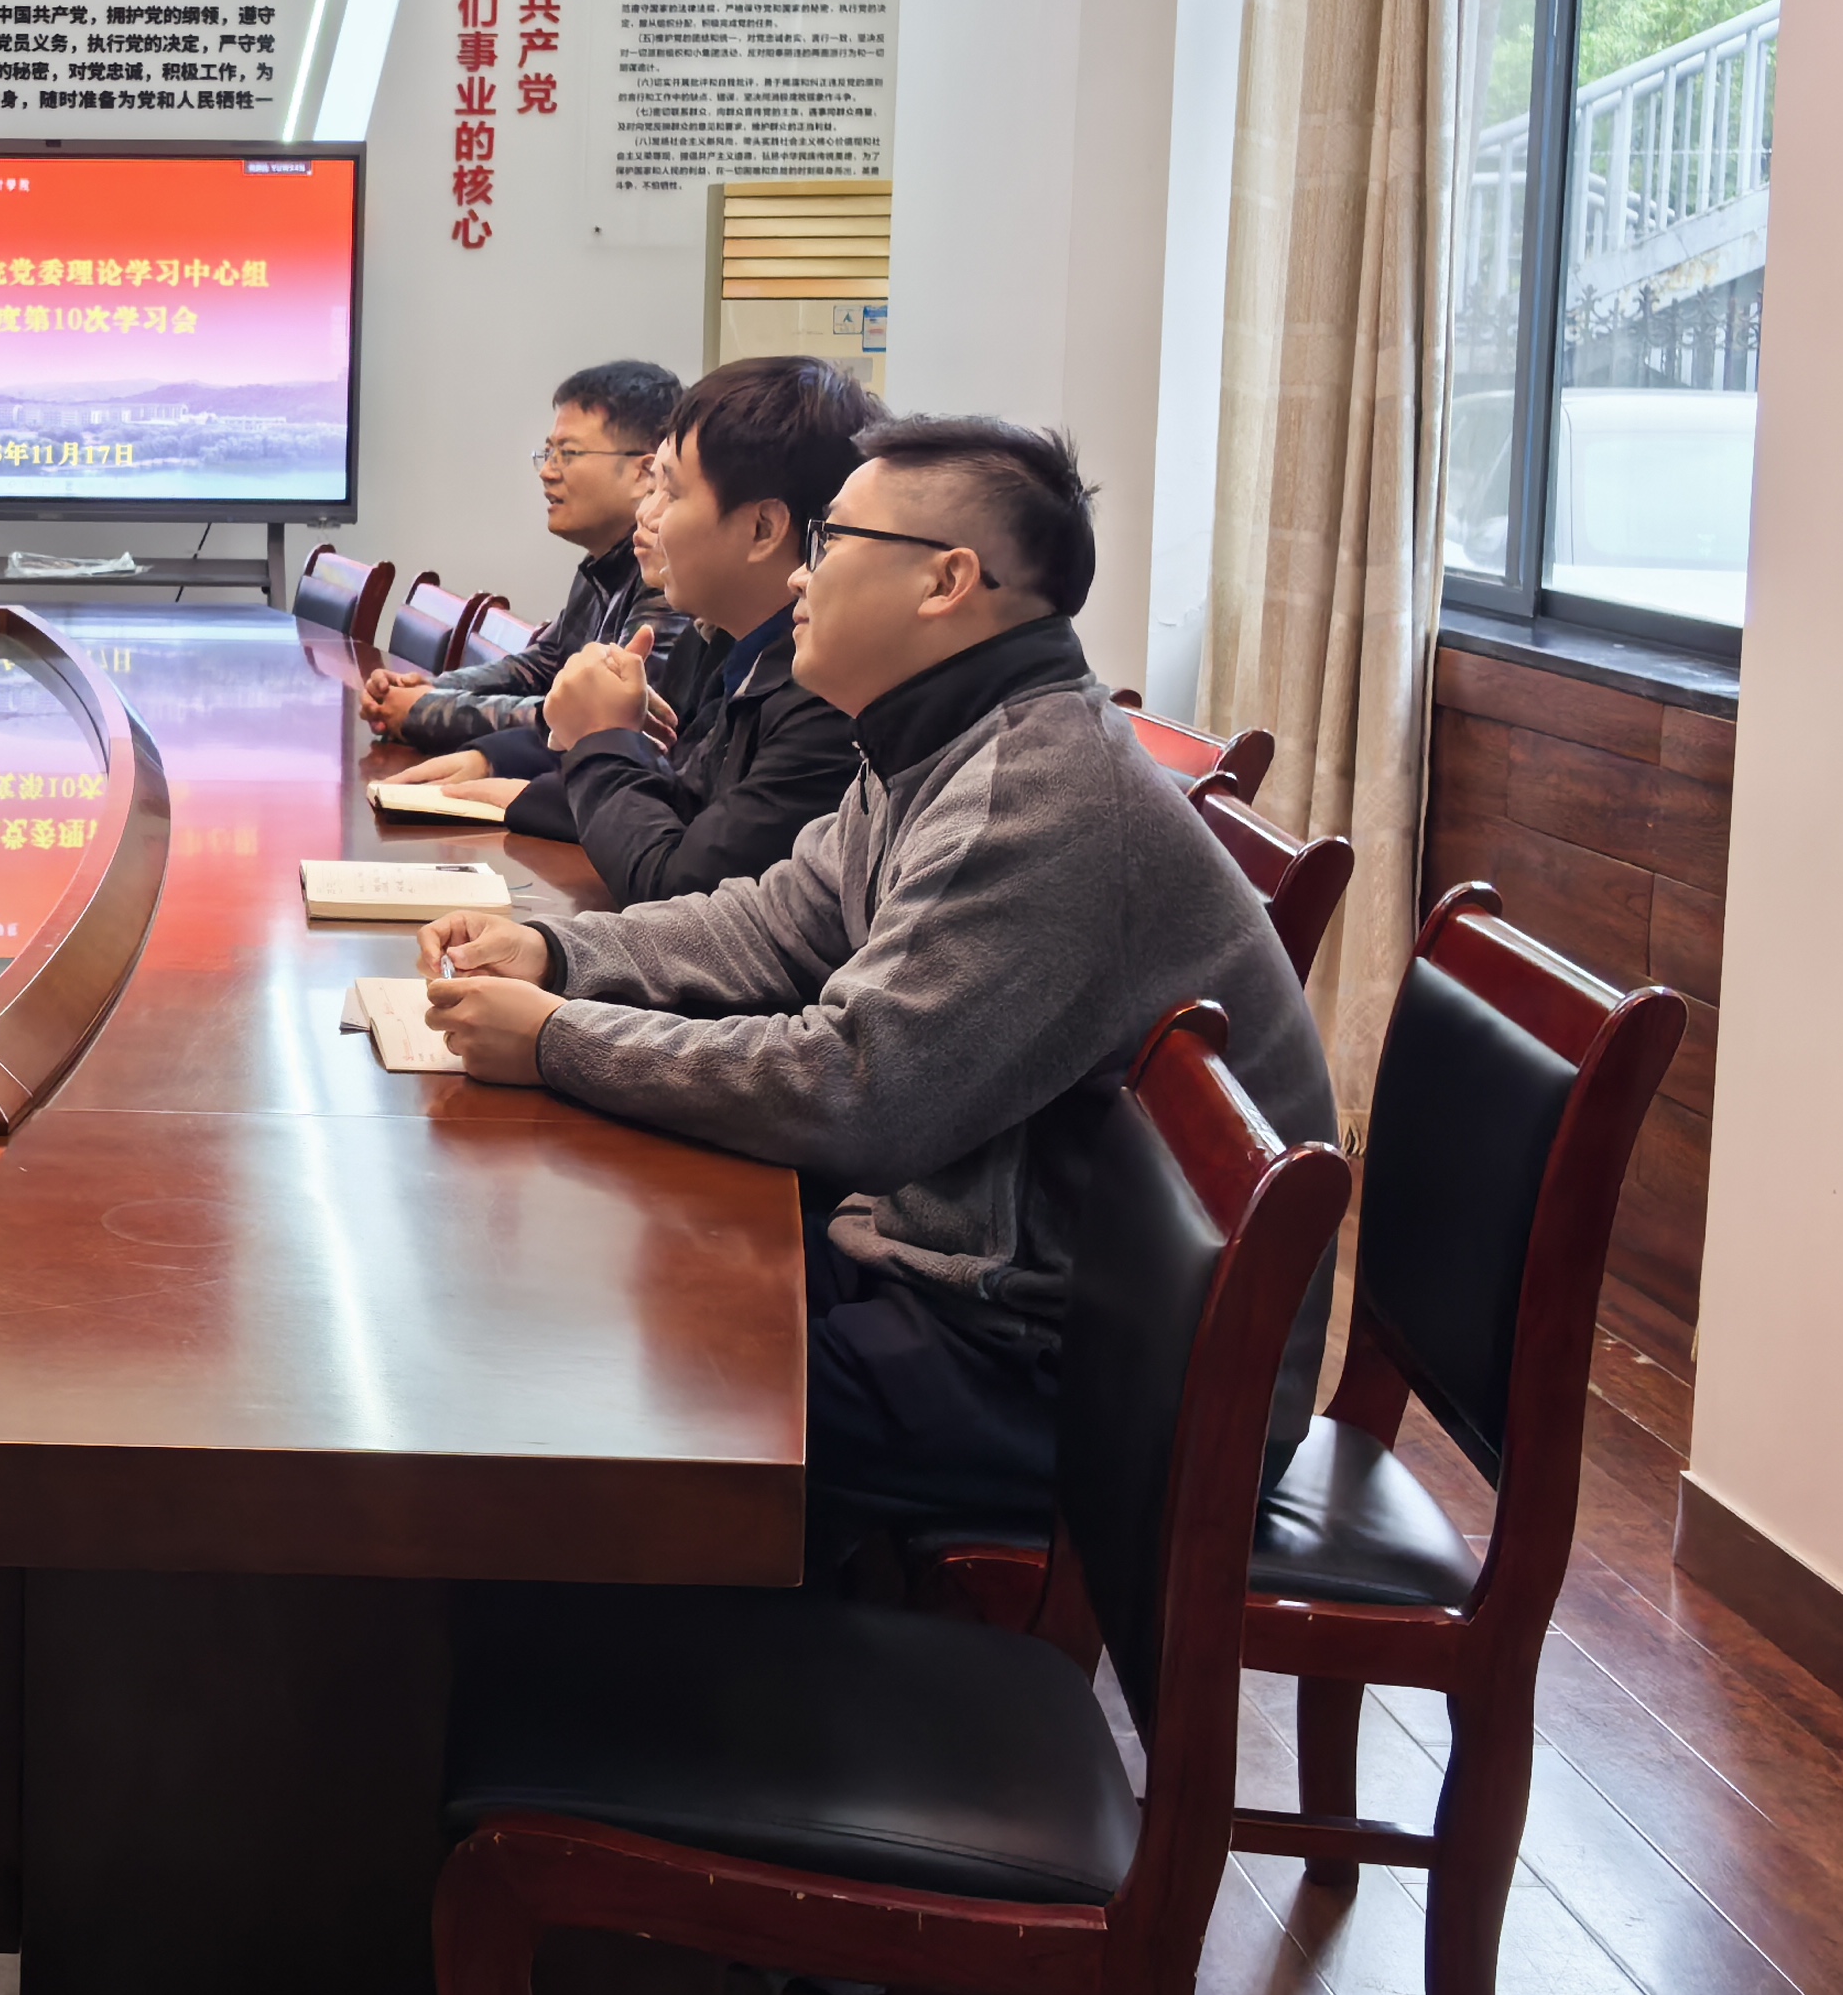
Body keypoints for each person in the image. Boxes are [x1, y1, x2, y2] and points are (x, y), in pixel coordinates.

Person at [414, 416, 1338, 1572]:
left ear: (946, 582)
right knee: (596, 1278)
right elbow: (773, 923)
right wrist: (557, 956)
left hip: (1082, 1374)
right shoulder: (935, 740)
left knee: (587, 1372)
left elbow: (853, 1090)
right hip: (971, 1284)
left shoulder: (1034, 792)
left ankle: (624, 1672)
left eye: (831, 541)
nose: (801, 576)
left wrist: (558, 1040)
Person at [404, 357, 885, 904]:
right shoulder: (729, 644)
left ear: (763, 528)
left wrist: (599, 738)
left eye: (670, 493)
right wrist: (539, 784)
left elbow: (682, 883)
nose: (647, 516)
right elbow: (680, 800)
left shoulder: (828, 696)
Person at [358, 359, 683, 746]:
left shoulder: (667, 580)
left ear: (643, 472)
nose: (547, 471)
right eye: (548, 453)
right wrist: (431, 688)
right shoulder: (604, 563)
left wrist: (425, 711)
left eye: (568, 453)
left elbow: (597, 718)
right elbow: (542, 664)